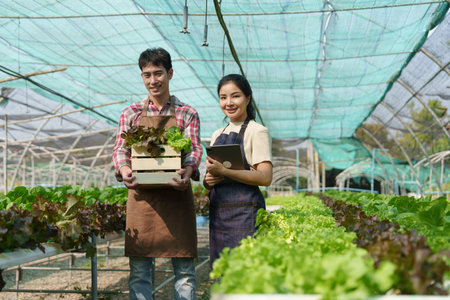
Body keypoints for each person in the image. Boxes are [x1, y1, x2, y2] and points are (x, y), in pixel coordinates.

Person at [112, 47, 202, 300]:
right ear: (142, 77)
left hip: (176, 196)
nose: (153, 80)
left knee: (184, 270)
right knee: (139, 270)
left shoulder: (187, 113)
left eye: (158, 73)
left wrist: (188, 169)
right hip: (142, 199)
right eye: (147, 74)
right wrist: (125, 168)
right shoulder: (130, 113)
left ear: (170, 73)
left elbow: (194, 148)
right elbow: (120, 148)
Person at [203, 74, 273, 266]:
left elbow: (266, 177)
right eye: (223, 97)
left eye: (235, 96)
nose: (229, 103)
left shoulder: (256, 131)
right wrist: (208, 180)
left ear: (248, 98)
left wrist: (225, 172)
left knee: (245, 271)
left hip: (245, 215)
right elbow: (212, 175)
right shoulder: (218, 133)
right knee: (222, 272)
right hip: (219, 214)